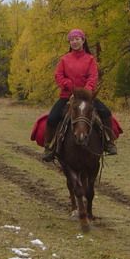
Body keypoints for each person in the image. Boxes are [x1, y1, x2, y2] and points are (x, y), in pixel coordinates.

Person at [42, 28, 117, 162]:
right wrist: (69, 85)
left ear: (83, 40)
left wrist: (87, 91)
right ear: (69, 42)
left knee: (105, 112)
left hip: (87, 96)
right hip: (67, 96)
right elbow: (58, 76)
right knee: (52, 118)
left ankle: (109, 142)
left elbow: (93, 76)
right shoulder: (64, 59)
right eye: (72, 40)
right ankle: (49, 147)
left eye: (77, 39)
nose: (74, 42)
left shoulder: (90, 59)